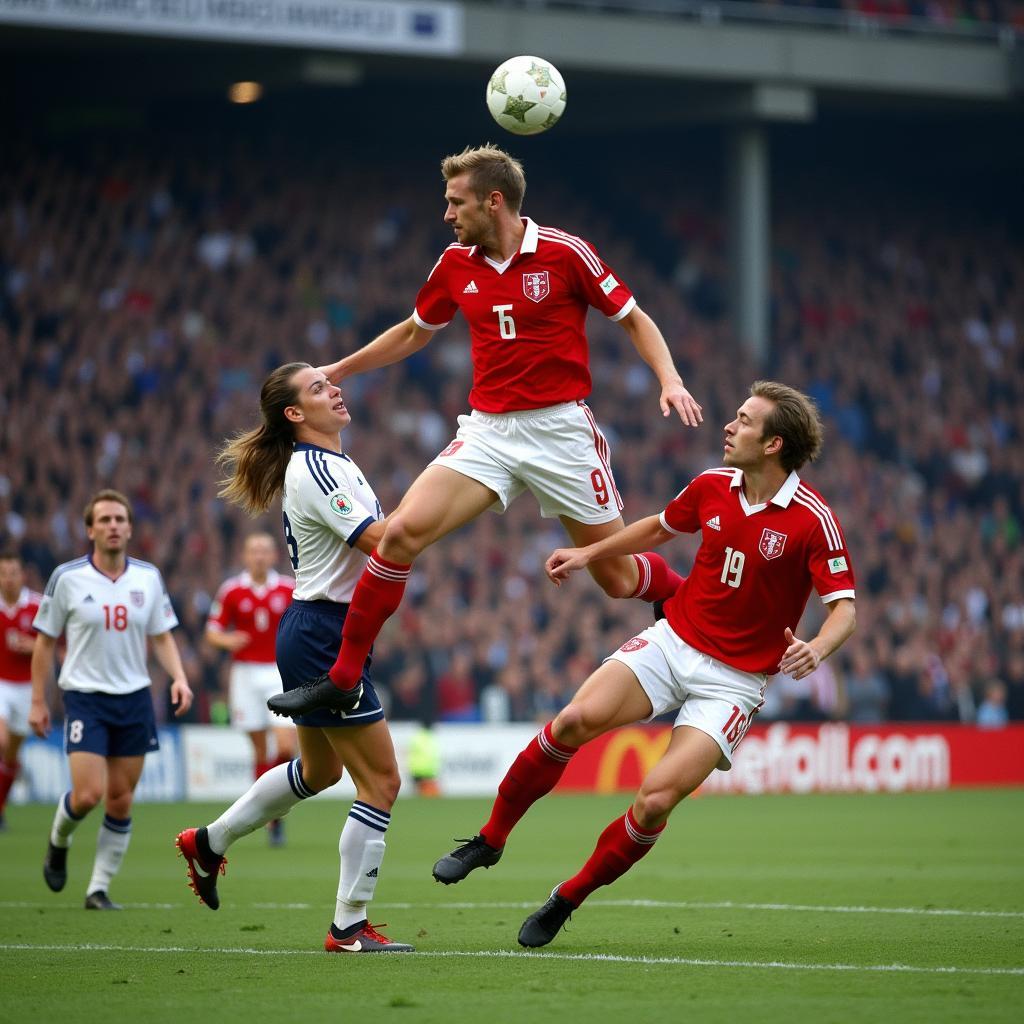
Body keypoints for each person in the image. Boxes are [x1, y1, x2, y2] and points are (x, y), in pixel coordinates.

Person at [267, 144, 703, 718]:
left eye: (456, 202)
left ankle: (679, 598)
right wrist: (342, 368)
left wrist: (669, 379)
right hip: (489, 433)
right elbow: (413, 331)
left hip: (561, 433)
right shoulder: (453, 264)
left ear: (493, 202)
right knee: (398, 536)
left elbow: (633, 319)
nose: (447, 215)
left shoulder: (565, 253)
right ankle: (344, 676)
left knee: (619, 580)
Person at [431, 381, 857, 948]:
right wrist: (589, 552)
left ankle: (567, 897)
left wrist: (817, 647)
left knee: (654, 801)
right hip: (674, 641)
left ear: (774, 444)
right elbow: (658, 527)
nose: (728, 427)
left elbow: (844, 609)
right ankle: (489, 838)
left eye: (743, 420)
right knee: (571, 723)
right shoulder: (712, 485)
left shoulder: (812, 519)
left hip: (734, 683)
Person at [176, 361, 413, 953]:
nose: (334, 388)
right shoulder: (317, 470)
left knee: (319, 772)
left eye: (329, 383)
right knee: (381, 781)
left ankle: (211, 841)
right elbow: (378, 540)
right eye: (317, 388)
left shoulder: (333, 462)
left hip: (317, 626)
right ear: (294, 414)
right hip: (323, 633)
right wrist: (456, 503)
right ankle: (349, 926)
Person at [29, 489, 193, 910]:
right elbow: (45, 643)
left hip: (134, 698)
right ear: (90, 530)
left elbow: (160, 634)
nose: (113, 526)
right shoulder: (67, 578)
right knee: (87, 795)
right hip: (84, 697)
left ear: (130, 527)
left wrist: (178, 677)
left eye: (120, 519)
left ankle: (98, 889)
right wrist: (38, 700)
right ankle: (58, 839)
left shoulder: (148, 577)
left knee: (120, 798)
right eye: (104, 520)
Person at [206, 532, 296, 845]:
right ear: (245, 556)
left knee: (285, 746)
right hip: (244, 674)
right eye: (253, 550)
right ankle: (268, 818)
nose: (259, 556)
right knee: (259, 750)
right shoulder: (232, 591)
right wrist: (229, 640)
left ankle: (273, 810)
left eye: (265, 551)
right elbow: (213, 630)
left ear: (274, 556)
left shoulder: (287, 587)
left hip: (278, 672)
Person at [0, 551, 42, 830]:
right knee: (1, 743)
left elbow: (58, 647)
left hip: (28, 688)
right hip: (1, 684)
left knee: (11, 756)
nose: (8, 579)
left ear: (21, 575)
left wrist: (31, 646)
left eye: (12, 573)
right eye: (3, 574)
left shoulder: (37, 606)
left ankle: (0, 808)